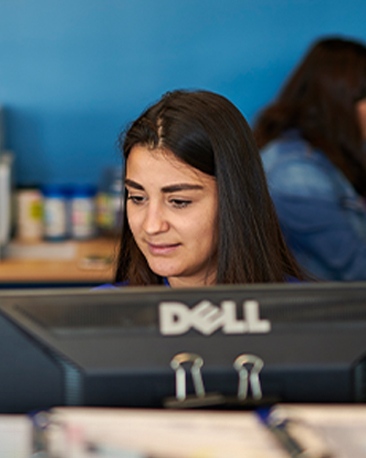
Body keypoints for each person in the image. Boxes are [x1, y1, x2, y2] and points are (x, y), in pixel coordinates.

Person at [106, 89, 306, 288]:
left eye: (178, 202)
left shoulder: (305, 314)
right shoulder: (102, 313)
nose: (151, 226)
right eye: (138, 198)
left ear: (236, 200)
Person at [254, 36, 366, 281]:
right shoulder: (295, 172)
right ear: (342, 102)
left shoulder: (331, 158)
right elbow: (354, 266)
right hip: (316, 315)